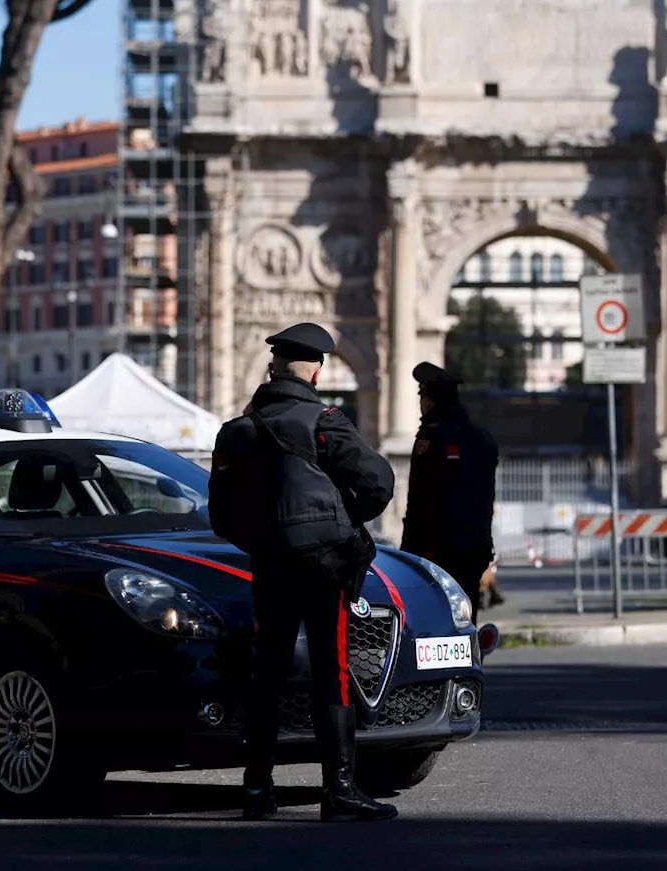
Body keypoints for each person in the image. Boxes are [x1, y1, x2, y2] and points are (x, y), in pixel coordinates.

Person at [207, 322, 398, 822]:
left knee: (266, 670)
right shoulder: (323, 421)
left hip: (270, 564)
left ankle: (256, 789)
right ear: (315, 369)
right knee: (331, 669)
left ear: (274, 368)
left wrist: (267, 541)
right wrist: (343, 519)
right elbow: (379, 481)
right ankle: (338, 789)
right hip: (325, 564)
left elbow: (221, 517)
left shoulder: (236, 431)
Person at [399, 362, 499, 620]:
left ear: (431, 399)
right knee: (466, 618)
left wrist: (409, 549)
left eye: (422, 395)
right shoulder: (482, 438)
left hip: (436, 549)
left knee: (433, 620)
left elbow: (419, 499)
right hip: (474, 546)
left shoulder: (430, 439)